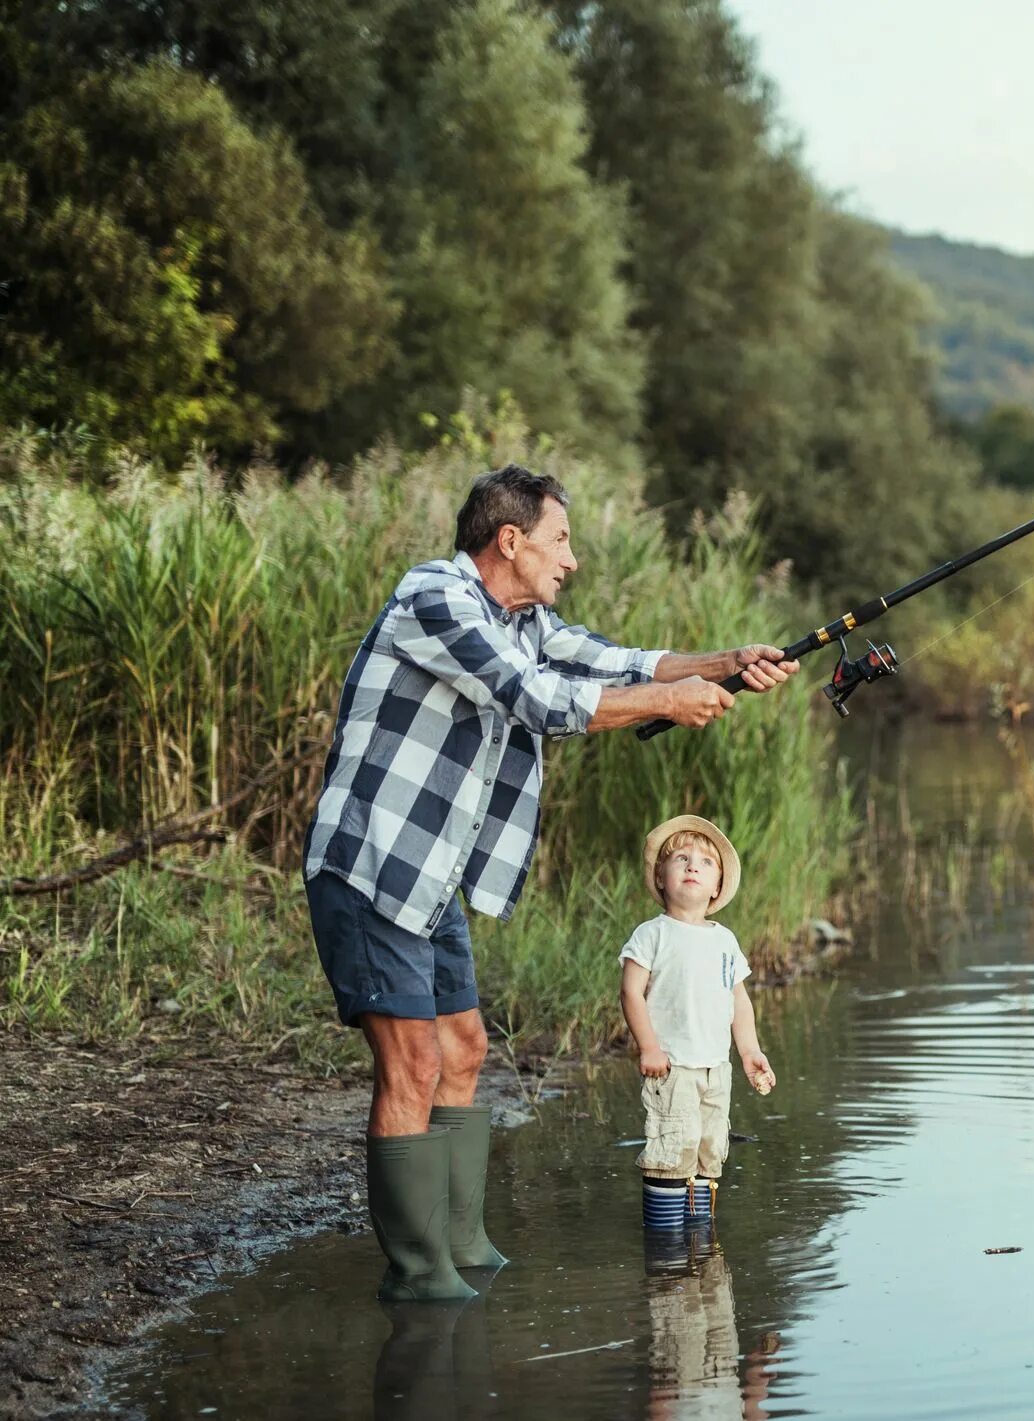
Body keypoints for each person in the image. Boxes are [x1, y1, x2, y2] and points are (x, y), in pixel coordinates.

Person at [303, 463, 799, 1301]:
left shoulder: (523, 619)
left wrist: (722, 665)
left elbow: (617, 659)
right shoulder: (436, 597)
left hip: (433, 877)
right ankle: (417, 1272)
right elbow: (532, 697)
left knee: (464, 1048)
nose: (570, 559)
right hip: (370, 864)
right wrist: (666, 703)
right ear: (510, 539)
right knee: (413, 1060)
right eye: (559, 540)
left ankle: (461, 1242)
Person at [621, 814, 776, 1232]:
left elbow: (737, 1001)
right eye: (681, 859)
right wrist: (649, 1046)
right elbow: (631, 992)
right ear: (660, 877)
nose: (693, 866)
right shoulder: (653, 934)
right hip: (672, 1068)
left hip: (715, 1070)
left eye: (706, 862)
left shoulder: (724, 940)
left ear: (718, 886)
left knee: (710, 1150)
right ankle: (667, 1248)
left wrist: (749, 1050)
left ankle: (700, 1239)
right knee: (671, 1151)